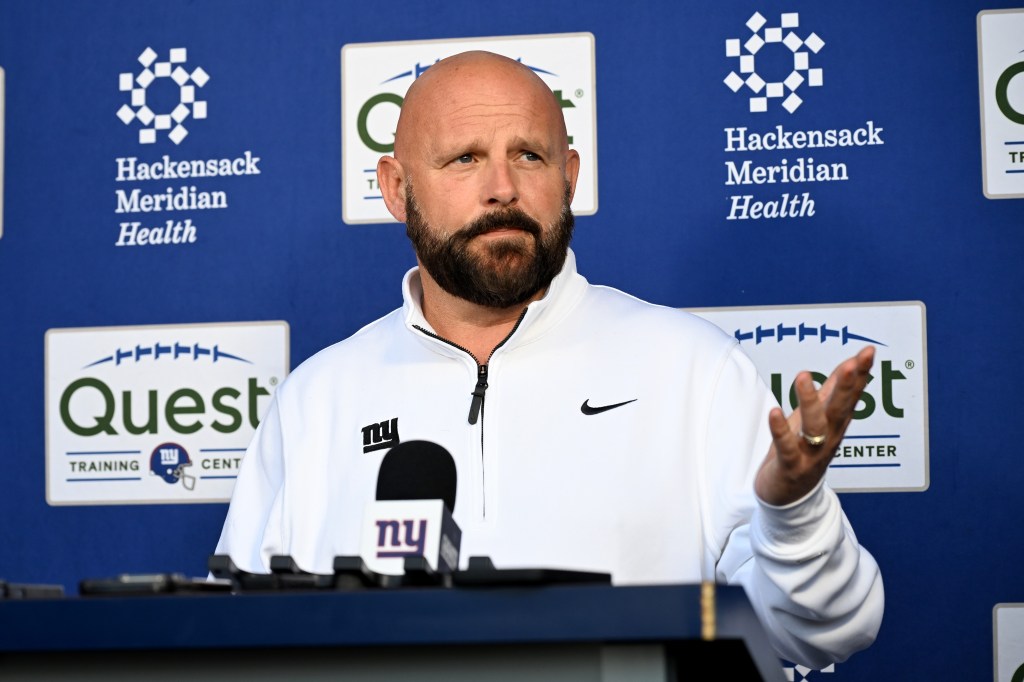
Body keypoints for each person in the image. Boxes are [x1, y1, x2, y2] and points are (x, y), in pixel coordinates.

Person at [213, 50, 883, 669]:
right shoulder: (319, 398)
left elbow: (825, 633)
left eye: (529, 156)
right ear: (395, 188)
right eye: (464, 159)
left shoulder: (693, 370)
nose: (502, 187)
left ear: (568, 177)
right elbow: (234, 646)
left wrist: (791, 513)